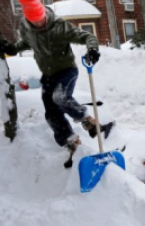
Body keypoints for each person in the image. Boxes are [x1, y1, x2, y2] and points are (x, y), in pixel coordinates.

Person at [0, 0, 111, 153]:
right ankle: (70, 142)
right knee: (51, 114)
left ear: (44, 13)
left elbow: (86, 36)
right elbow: (22, 44)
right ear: (29, 20)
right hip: (48, 75)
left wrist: (92, 49)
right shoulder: (27, 29)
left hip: (67, 70)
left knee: (60, 97)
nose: (40, 23)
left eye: (41, 18)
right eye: (35, 21)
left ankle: (87, 120)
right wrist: (10, 49)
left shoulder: (59, 26)